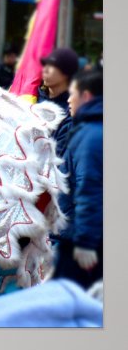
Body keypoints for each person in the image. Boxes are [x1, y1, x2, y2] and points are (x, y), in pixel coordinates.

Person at [53, 70, 103, 290]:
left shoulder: (90, 136)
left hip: (79, 240)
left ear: (87, 96)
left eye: (72, 93)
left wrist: (84, 243)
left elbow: (89, 191)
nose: (68, 99)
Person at [37, 47, 79, 157]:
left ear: (66, 73)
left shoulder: (71, 107)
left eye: (51, 66)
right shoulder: (32, 97)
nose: (45, 70)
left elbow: (58, 155)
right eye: (45, 65)